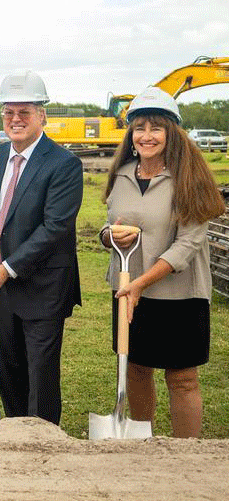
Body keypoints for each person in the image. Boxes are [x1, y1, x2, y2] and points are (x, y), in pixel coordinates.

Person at [100, 87, 224, 438]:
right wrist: (109, 237)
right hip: (129, 289)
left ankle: (186, 453)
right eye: (139, 128)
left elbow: (188, 244)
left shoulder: (191, 179)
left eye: (156, 128)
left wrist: (141, 283)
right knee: (136, 370)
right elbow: (111, 226)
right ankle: (144, 443)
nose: (147, 136)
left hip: (179, 295)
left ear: (172, 132)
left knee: (182, 378)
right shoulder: (122, 174)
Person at [0, 70, 83, 425]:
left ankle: (44, 441)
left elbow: (54, 228)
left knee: (41, 376)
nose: (15, 120)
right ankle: (15, 439)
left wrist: (7, 268)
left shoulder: (64, 164)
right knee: (10, 370)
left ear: (42, 115)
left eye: (25, 112)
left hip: (43, 287)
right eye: (9, 112)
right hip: (2, 289)